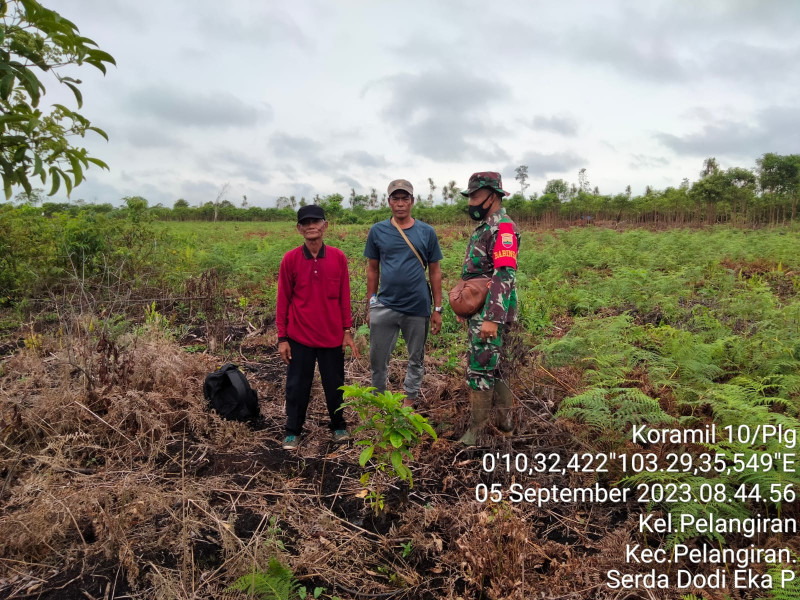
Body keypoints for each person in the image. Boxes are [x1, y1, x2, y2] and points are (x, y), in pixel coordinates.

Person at [276, 205, 359, 450]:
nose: (311, 226)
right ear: (299, 228)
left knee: (335, 384)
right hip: (299, 336)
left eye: (316, 221)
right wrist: (283, 337)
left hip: (332, 336)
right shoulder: (290, 259)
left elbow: (345, 296)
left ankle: (339, 425)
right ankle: (293, 430)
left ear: (325, 226)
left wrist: (347, 331)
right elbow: (283, 300)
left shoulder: (338, 257)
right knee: (297, 385)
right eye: (306, 222)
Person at [364, 179, 443, 407]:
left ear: (412, 201)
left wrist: (437, 308)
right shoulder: (378, 231)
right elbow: (372, 268)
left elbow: (435, 272)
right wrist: (371, 302)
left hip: (417, 307)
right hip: (385, 305)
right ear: (388, 202)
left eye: (404, 198)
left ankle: (409, 402)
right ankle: (379, 401)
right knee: (377, 359)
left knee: (416, 358)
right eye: (395, 199)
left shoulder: (426, 232)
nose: (400, 204)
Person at [457, 172, 521, 446]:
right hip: (480, 311)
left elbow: (504, 275)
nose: (471, 201)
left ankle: (477, 433)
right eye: (469, 196)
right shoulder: (486, 227)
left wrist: (492, 319)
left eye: (475, 196)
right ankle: (505, 427)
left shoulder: (503, 228)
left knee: (482, 368)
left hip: (490, 313)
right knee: (497, 368)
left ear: (492, 196)